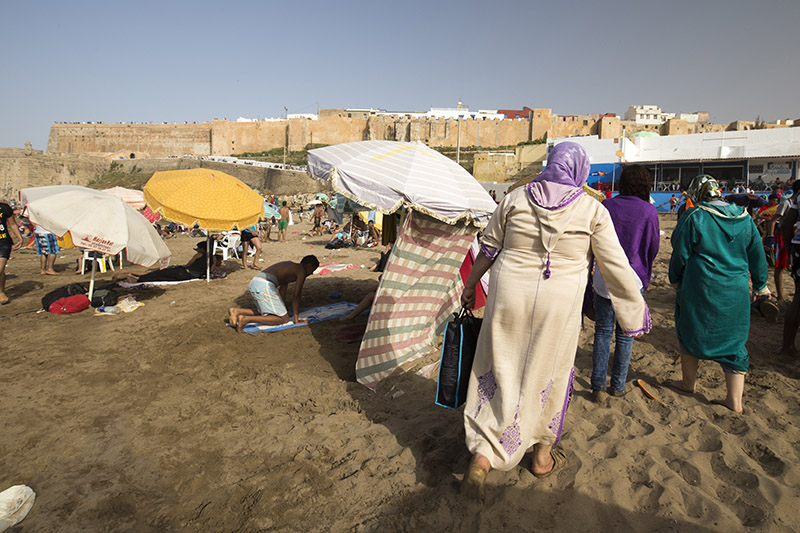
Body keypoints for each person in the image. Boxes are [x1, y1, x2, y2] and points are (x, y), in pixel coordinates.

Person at [459, 142, 649, 500]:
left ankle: (483, 458)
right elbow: (615, 266)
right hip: (559, 304)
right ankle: (541, 458)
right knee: (550, 374)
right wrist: (632, 314)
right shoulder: (592, 209)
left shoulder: (515, 199)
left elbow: (488, 248)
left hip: (508, 295)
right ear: (579, 171)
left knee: (501, 368)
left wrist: (471, 286)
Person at [668, 175, 774, 413]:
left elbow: (680, 252)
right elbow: (757, 255)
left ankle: (688, 383)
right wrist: (761, 286)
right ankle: (734, 401)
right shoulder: (745, 218)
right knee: (734, 340)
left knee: (689, 329)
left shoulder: (694, 216)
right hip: (735, 290)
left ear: (696, 193)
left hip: (700, 287)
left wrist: (674, 278)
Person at [590, 165, 660, 403]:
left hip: (604, 276)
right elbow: (652, 247)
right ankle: (617, 385)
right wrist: (646, 277)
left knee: (602, 331)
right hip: (633, 277)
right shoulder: (649, 211)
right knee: (625, 334)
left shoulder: (607, 206)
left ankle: (597, 386)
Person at [228, 255, 320, 332]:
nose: (311, 273)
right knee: (284, 319)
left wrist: (282, 310)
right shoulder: (301, 270)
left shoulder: (290, 267)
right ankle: (246, 319)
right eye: (313, 269)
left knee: (267, 312)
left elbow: (282, 291)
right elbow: (297, 295)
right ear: (309, 265)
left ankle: (237, 311)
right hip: (264, 285)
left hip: (256, 282)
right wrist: (296, 320)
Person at [126, 241, 220, 283]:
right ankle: (138, 278)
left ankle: (137, 279)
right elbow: (210, 271)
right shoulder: (213, 258)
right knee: (162, 277)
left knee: (160, 273)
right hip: (190, 276)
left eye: (199, 249)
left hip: (184, 272)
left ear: (202, 249)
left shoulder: (199, 255)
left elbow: (188, 265)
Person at [0, 200, 23, 304]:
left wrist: (20, 238)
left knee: (0, 269)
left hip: (4, 242)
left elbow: (12, 224)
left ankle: (1, 293)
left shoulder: (4, 207)